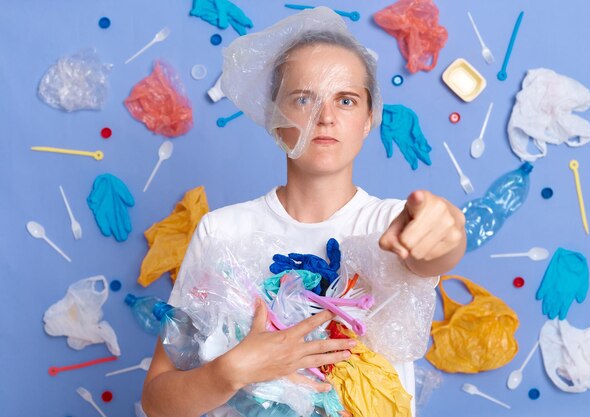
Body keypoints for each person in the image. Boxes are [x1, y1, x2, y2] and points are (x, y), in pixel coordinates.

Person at [142, 7, 465, 417]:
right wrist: (231, 371)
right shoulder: (223, 231)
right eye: (303, 99)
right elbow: (157, 403)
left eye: (345, 100)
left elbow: (435, 248)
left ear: (369, 118)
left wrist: (447, 229)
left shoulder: (391, 225)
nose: (325, 117)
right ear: (276, 118)